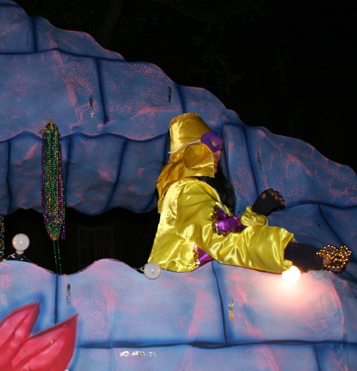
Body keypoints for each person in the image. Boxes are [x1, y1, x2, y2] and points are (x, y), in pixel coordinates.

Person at [148, 113, 346, 274]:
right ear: (191, 150)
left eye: (219, 149)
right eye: (211, 146)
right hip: (180, 284)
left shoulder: (194, 189)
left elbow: (223, 233)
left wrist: (256, 213)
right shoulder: (187, 190)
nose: (218, 154)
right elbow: (221, 243)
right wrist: (285, 251)